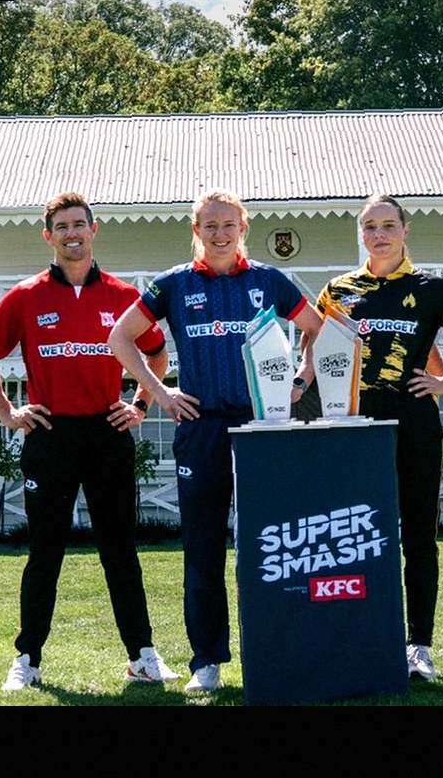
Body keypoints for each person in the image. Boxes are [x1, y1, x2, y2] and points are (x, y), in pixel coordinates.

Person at [109, 189, 322, 693]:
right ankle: (206, 662)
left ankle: (273, 653)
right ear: (196, 230)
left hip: (260, 429)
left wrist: (300, 379)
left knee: (269, 547)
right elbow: (120, 337)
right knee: (203, 552)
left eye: (229, 225)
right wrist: (160, 391)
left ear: (243, 228)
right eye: (210, 225)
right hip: (200, 428)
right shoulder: (173, 285)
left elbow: (317, 328)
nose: (220, 234)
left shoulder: (268, 280)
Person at [0, 191, 180, 690]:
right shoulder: (25, 296)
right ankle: (27, 660)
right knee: (45, 552)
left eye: (79, 224)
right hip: (50, 435)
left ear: (93, 229)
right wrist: (7, 412)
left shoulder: (123, 296)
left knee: (120, 550)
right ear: (49, 236)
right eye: (62, 227)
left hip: (107, 433)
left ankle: (142, 657)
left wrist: (140, 405)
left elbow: (157, 353)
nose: (72, 234)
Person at [316, 194, 443, 680]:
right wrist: (297, 384)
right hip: (355, 422)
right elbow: (314, 346)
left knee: (419, 538)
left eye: (388, 225)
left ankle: (419, 647)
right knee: (354, 537)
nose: (379, 235)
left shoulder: (432, 288)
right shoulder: (338, 289)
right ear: (361, 233)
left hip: (414, 420)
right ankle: (364, 639)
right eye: (370, 227)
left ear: (404, 230)